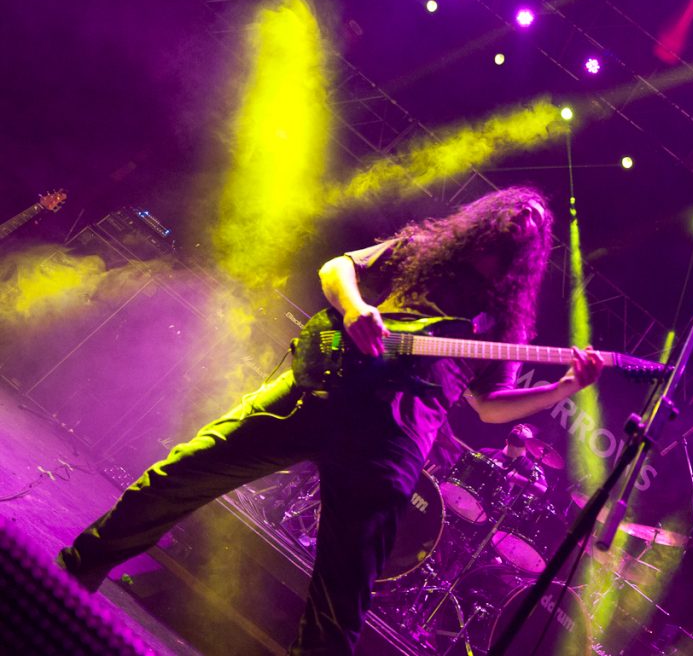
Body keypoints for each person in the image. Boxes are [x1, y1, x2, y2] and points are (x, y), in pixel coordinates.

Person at [56, 186, 605, 655]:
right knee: (186, 471)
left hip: (392, 441)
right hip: (325, 389)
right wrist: (355, 308)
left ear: (533, 251)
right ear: (488, 215)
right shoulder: (425, 249)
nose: (525, 217)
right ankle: (76, 570)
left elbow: (490, 406)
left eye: (536, 220)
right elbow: (336, 268)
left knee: (341, 599)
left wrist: (564, 388)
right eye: (518, 208)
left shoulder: (503, 325)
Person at [479, 423, 548, 497]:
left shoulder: (531, 468)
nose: (520, 426)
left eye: (526, 429)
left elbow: (543, 490)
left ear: (531, 445)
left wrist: (516, 478)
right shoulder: (485, 452)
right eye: (519, 426)